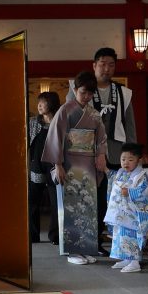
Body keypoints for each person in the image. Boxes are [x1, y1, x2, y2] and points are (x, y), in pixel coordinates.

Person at [67, 47, 137, 255]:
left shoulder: (123, 92)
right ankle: (90, 242)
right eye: (103, 63)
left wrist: (133, 153)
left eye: (111, 64)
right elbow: (69, 120)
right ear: (94, 65)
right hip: (87, 152)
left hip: (116, 152)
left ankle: (116, 242)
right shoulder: (79, 88)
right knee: (91, 198)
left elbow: (129, 124)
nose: (107, 68)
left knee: (115, 198)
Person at [43, 71, 107, 265]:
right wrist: (58, 164)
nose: (86, 97)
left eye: (90, 94)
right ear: (75, 90)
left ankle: (86, 248)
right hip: (70, 162)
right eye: (83, 92)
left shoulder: (94, 114)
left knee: (88, 207)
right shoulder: (66, 110)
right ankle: (72, 251)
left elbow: (101, 138)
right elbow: (56, 137)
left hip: (88, 163)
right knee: (73, 207)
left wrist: (101, 155)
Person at [104, 142, 148, 273]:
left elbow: (144, 192)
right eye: (123, 159)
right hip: (122, 212)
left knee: (132, 236)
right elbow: (114, 182)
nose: (126, 163)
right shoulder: (121, 173)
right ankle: (126, 258)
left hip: (134, 214)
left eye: (130, 159)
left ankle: (135, 262)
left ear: (138, 160)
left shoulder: (141, 175)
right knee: (121, 236)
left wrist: (129, 192)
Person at [28, 91, 61, 245]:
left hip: (55, 165)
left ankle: (55, 236)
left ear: (51, 104)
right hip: (37, 164)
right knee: (33, 200)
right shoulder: (33, 122)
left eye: (43, 102)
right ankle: (32, 235)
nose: (39, 105)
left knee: (56, 201)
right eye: (38, 102)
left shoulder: (60, 121)